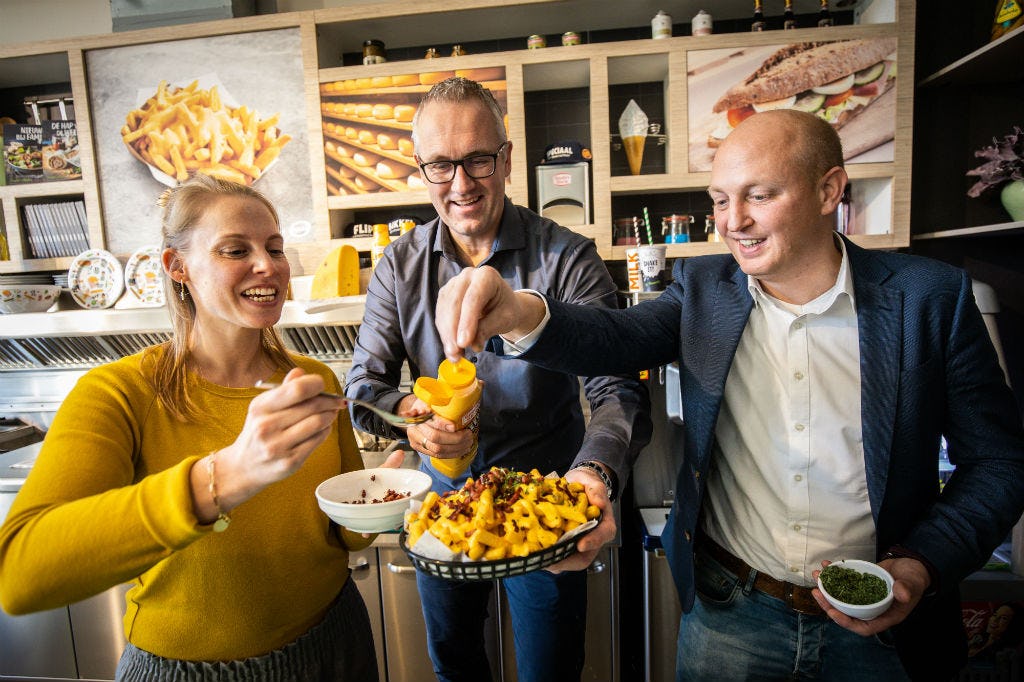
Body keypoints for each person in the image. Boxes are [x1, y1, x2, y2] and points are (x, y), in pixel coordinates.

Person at [433, 109, 1024, 681]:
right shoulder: (703, 289)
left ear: (829, 191)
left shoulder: (929, 300)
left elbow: (998, 463)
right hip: (731, 615)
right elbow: (614, 338)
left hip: (883, 629)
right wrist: (517, 310)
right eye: (719, 200)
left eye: (759, 195)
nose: (732, 220)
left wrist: (920, 565)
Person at [0, 174, 396, 681]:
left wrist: (381, 503)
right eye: (235, 250)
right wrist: (227, 475)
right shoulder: (119, 394)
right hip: (190, 671)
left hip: (335, 648)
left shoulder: (311, 378)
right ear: (177, 266)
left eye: (274, 248)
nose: (268, 266)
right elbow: (22, 571)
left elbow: (340, 534)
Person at [344, 76, 651, 682]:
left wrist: (594, 473)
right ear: (421, 168)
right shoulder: (399, 267)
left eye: (478, 160)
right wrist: (415, 418)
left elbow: (616, 387)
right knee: (456, 667)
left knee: (551, 670)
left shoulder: (567, 258)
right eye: (440, 165)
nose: (460, 185)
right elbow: (363, 387)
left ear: (506, 159)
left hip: (547, 505)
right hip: (443, 510)